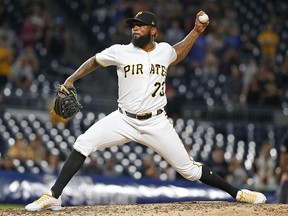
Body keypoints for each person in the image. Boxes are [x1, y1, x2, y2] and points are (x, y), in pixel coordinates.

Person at [25, 11, 266, 212]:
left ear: (153, 31)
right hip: (123, 119)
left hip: (156, 123)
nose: (135, 29)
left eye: (140, 25)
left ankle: (238, 193)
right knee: (83, 142)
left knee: (190, 171)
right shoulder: (120, 51)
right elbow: (95, 61)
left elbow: (178, 52)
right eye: (133, 25)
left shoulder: (163, 51)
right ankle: (54, 195)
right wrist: (71, 79)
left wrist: (195, 32)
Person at [278, 134, 288, 203]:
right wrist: (285, 173)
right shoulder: (287, 139)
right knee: (284, 179)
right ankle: (281, 204)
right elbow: (283, 158)